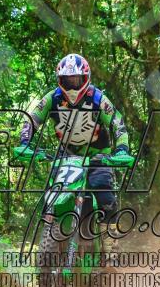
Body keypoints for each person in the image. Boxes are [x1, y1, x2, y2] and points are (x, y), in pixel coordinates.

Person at [18, 53, 131, 252]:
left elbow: (117, 123)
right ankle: (49, 236)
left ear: (86, 78)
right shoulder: (52, 98)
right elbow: (32, 118)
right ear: (59, 80)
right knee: (52, 193)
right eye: (67, 81)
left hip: (98, 157)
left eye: (76, 80)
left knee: (105, 197)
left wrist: (121, 150)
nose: (72, 86)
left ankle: (110, 249)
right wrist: (24, 143)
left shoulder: (97, 97)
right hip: (67, 156)